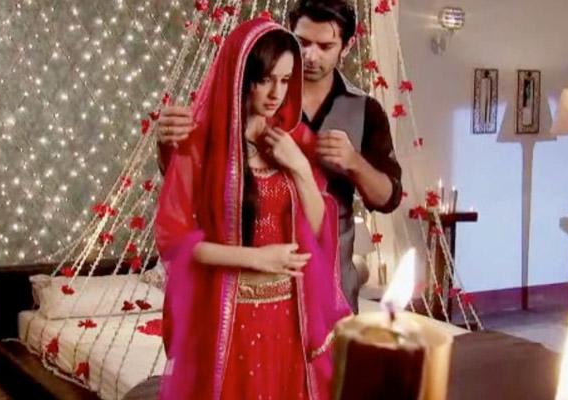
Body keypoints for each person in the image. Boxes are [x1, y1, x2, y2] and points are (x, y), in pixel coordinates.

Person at [158, 0, 403, 313]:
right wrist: (168, 144)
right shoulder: (259, 103)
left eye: (325, 46)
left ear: (347, 46)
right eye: (303, 42)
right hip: (247, 285)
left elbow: (388, 199)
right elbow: (189, 189)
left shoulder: (365, 110)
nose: (310, 56)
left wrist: (353, 162)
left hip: (331, 280)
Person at [154, 17, 350, 400]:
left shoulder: (293, 138)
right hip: (230, 315)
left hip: (290, 315)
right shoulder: (199, 144)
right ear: (240, 76)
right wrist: (257, 258)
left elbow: (318, 226)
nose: (277, 93)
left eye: (286, 79)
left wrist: (299, 166)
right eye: (265, 79)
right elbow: (175, 240)